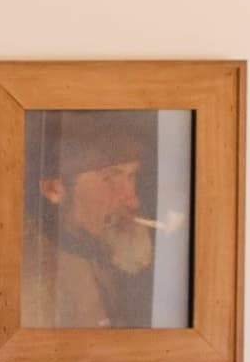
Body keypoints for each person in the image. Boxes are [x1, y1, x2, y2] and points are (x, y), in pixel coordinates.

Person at [23, 109, 171, 330]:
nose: (132, 201)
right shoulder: (33, 279)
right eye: (110, 178)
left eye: (131, 176)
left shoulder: (101, 254)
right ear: (54, 188)